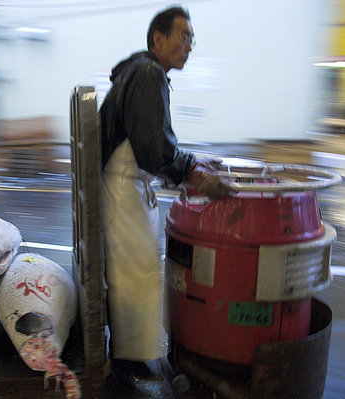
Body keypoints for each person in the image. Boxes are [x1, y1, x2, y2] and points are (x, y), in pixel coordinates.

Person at [99, 6, 234, 379]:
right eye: (183, 37)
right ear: (158, 39)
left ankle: (134, 355)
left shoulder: (141, 71)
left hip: (125, 185)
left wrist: (192, 161)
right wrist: (194, 173)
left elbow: (157, 142)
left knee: (136, 271)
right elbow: (153, 148)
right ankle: (130, 365)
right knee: (134, 272)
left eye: (192, 39)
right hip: (122, 188)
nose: (189, 46)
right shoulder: (147, 73)